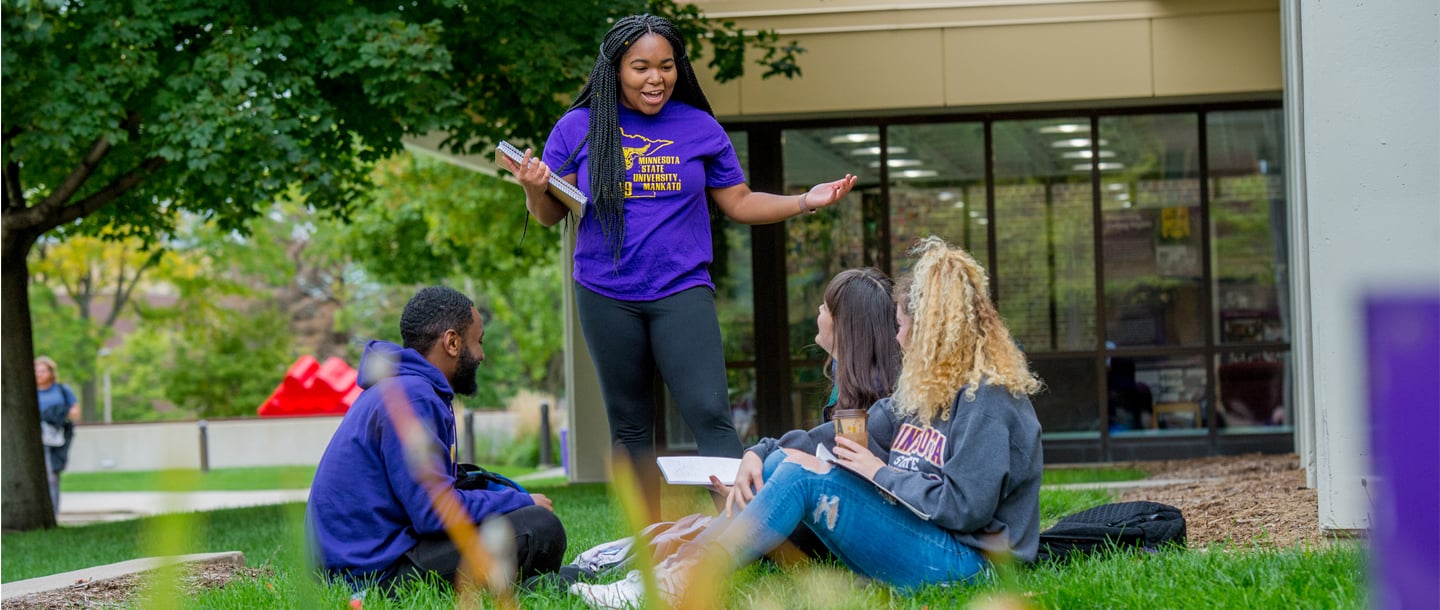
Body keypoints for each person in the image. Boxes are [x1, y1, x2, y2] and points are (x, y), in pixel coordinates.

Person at [498, 14, 858, 517]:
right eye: (641, 67)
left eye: (666, 66)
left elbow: (739, 201)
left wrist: (805, 200)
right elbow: (550, 214)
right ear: (615, 69)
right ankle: (646, 542)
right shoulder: (577, 128)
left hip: (681, 290)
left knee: (710, 412)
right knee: (629, 423)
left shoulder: (697, 125)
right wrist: (536, 189)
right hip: (606, 292)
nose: (655, 78)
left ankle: (748, 532)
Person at [571, 237, 1044, 606]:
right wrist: (760, 452)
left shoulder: (989, 399)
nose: (897, 338)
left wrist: (876, 471)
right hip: (927, 540)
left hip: (971, 562)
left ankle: (682, 582)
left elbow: (966, 509)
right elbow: (826, 439)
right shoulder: (927, 392)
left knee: (800, 475)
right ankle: (661, 579)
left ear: (933, 331)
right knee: (785, 464)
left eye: (901, 326)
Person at [306, 286, 566, 591]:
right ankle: (544, 585)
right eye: (478, 342)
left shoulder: (403, 388)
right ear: (453, 342)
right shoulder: (413, 397)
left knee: (505, 507)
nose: (481, 354)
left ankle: (535, 585)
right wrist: (519, 500)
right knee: (539, 528)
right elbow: (433, 513)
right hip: (372, 575)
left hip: (369, 559)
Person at [35, 355, 80, 516]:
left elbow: (75, 412)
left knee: (53, 474)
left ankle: (52, 513)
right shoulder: (27, 392)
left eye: (42, 371)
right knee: (44, 475)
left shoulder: (62, 390)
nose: (38, 374)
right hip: (36, 437)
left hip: (57, 438)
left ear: (51, 372)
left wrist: (57, 415)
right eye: (35, 371)